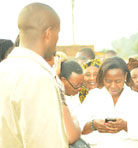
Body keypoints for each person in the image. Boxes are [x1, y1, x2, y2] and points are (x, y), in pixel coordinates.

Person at [0, 3, 79, 148]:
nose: (57, 40)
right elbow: (45, 142)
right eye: (58, 33)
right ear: (48, 33)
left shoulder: (3, 69)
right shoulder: (39, 77)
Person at [78, 57, 138, 148]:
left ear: (125, 76)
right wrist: (93, 125)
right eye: (108, 81)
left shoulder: (137, 99)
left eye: (118, 81)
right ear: (102, 77)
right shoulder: (93, 97)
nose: (113, 86)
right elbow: (78, 129)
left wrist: (125, 126)